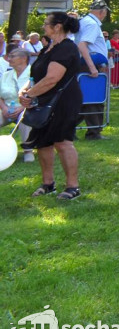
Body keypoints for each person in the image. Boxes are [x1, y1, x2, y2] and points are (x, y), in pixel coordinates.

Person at [19, 12, 84, 200]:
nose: (43, 27)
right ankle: (48, 184)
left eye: (46, 23)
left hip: (63, 100)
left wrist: (30, 95)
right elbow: (34, 77)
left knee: (62, 141)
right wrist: (24, 92)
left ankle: (73, 187)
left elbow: (52, 79)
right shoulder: (47, 49)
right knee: (43, 142)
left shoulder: (67, 48)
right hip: (43, 100)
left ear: (57, 27)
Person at [75, 0, 110, 139]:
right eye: (105, 12)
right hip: (88, 65)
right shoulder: (92, 24)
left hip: (85, 64)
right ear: (102, 11)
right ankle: (94, 132)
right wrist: (92, 67)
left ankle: (69, 129)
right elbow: (82, 45)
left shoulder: (84, 21)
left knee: (85, 100)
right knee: (94, 98)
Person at [1, 48, 33, 162]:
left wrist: (21, 108)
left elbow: (37, 97)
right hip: (7, 109)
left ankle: (28, 151)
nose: (9, 59)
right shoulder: (6, 74)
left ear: (23, 58)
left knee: (25, 118)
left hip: (27, 108)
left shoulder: (33, 73)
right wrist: (4, 108)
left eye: (12, 56)